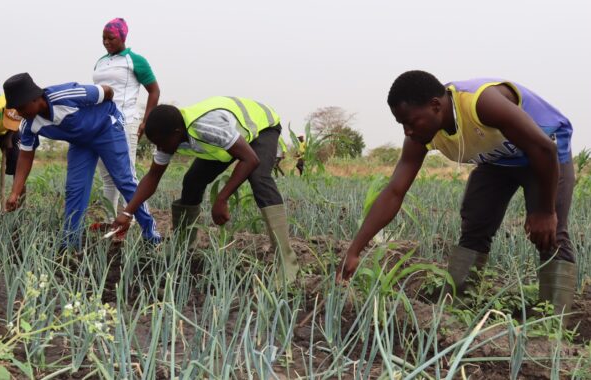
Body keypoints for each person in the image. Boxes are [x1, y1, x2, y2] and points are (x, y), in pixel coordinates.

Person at [337, 70, 576, 316]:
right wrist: (354, 250)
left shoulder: (481, 104)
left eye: (411, 121)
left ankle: (552, 322)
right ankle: (457, 306)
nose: (407, 131)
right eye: (402, 124)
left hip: (545, 153)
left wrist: (545, 211)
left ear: (435, 106)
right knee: (475, 223)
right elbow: (394, 192)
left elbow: (543, 148)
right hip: (498, 160)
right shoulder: (421, 136)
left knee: (550, 233)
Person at [110, 97, 300, 285]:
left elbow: (250, 160)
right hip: (228, 142)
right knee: (192, 181)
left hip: (261, 127)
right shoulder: (169, 136)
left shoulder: (206, 128)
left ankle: (286, 262)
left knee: (259, 178)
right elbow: (152, 177)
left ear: (176, 133)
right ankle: (183, 248)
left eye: (161, 142)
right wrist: (127, 213)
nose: (160, 148)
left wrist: (221, 199)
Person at [2, 72, 160, 248]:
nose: (20, 113)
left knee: (124, 180)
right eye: (16, 109)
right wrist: (15, 193)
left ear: (35, 98)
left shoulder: (68, 94)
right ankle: (70, 245)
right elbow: (25, 157)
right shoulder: (29, 124)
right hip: (80, 142)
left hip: (106, 129)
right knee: (75, 189)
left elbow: (108, 91)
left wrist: (115, 119)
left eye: (21, 108)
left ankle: (152, 236)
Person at [93, 18, 161, 227]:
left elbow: (154, 90)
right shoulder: (102, 61)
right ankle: (110, 220)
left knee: (127, 177)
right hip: (101, 124)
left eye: (111, 38)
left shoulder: (135, 60)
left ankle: (138, 222)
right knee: (107, 178)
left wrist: (145, 120)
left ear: (122, 37)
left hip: (125, 123)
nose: (106, 42)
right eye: (103, 38)